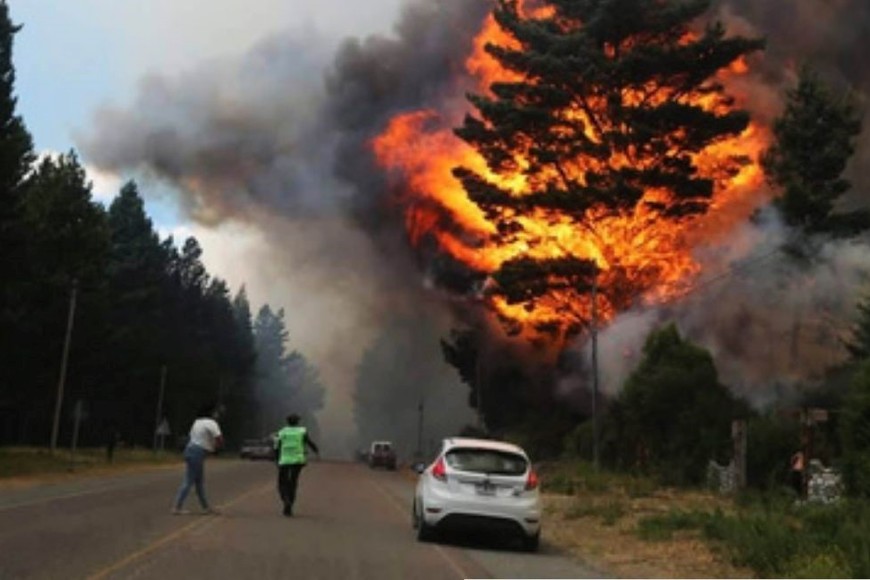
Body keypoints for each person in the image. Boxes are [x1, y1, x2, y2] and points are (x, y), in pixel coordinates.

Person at [172, 403, 224, 515]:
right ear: (211, 413)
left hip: (190, 450)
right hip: (197, 452)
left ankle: (206, 507)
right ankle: (177, 507)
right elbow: (219, 438)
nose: (217, 414)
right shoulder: (212, 423)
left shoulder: (197, 422)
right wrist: (216, 448)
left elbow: (193, 437)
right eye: (216, 412)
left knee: (199, 482)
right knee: (189, 480)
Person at [274, 413, 319, 517]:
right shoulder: (302, 431)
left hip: (284, 460)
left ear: (287, 421)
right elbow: (309, 442)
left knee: (282, 483)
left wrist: (276, 459)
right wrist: (316, 451)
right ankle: (290, 503)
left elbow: (276, 447)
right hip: (298, 460)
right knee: (293, 482)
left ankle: (286, 500)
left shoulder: (281, 432)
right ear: (298, 422)